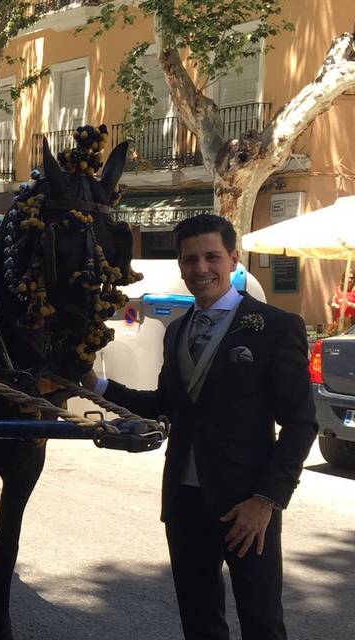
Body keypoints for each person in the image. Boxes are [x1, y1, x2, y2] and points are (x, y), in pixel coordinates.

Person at [83, 214, 317, 640]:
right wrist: (96, 385)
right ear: (180, 265)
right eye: (190, 260)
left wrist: (266, 500)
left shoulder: (277, 328)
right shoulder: (176, 333)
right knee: (199, 620)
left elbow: (301, 424)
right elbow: (163, 406)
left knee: (262, 622)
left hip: (247, 507)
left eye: (212, 257)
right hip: (185, 504)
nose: (201, 268)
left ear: (233, 259)